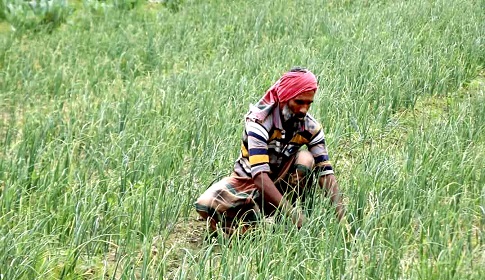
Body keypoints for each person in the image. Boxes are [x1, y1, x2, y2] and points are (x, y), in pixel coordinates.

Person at [195, 67, 345, 235]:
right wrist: (293, 215)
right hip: (248, 182)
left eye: (308, 104)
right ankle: (256, 224)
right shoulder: (259, 123)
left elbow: (326, 173)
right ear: (285, 98)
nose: (304, 109)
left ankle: (286, 217)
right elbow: (259, 177)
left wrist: (343, 220)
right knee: (205, 204)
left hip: (281, 180)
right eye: (299, 102)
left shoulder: (310, 127)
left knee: (306, 159)